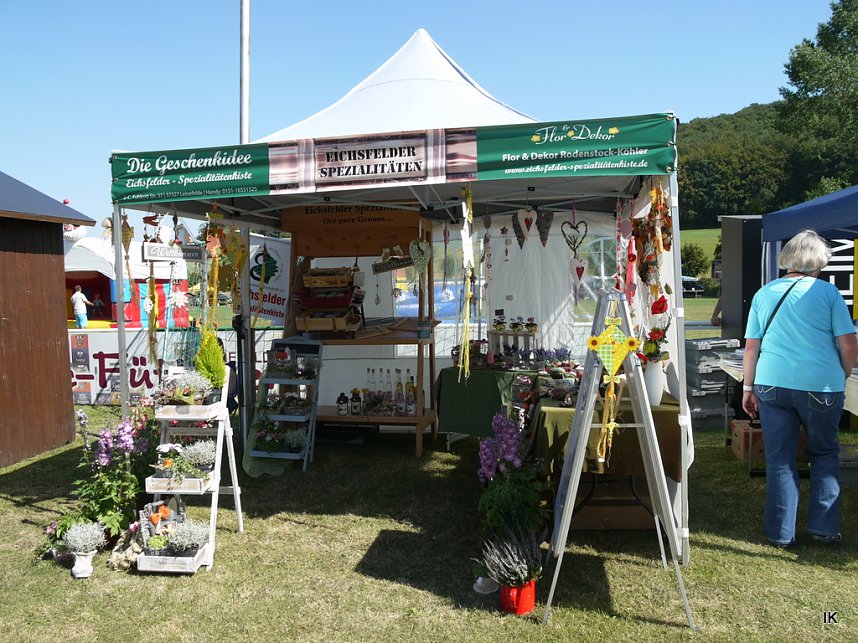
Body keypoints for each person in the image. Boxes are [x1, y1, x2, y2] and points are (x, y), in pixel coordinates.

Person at [742, 229, 857, 548]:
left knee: (780, 459)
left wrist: (747, 388)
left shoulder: (765, 293)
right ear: (818, 262)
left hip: (772, 383)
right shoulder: (828, 293)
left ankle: (780, 533)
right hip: (821, 385)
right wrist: (842, 373)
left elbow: (752, 348)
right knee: (824, 454)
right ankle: (824, 528)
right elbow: (848, 343)